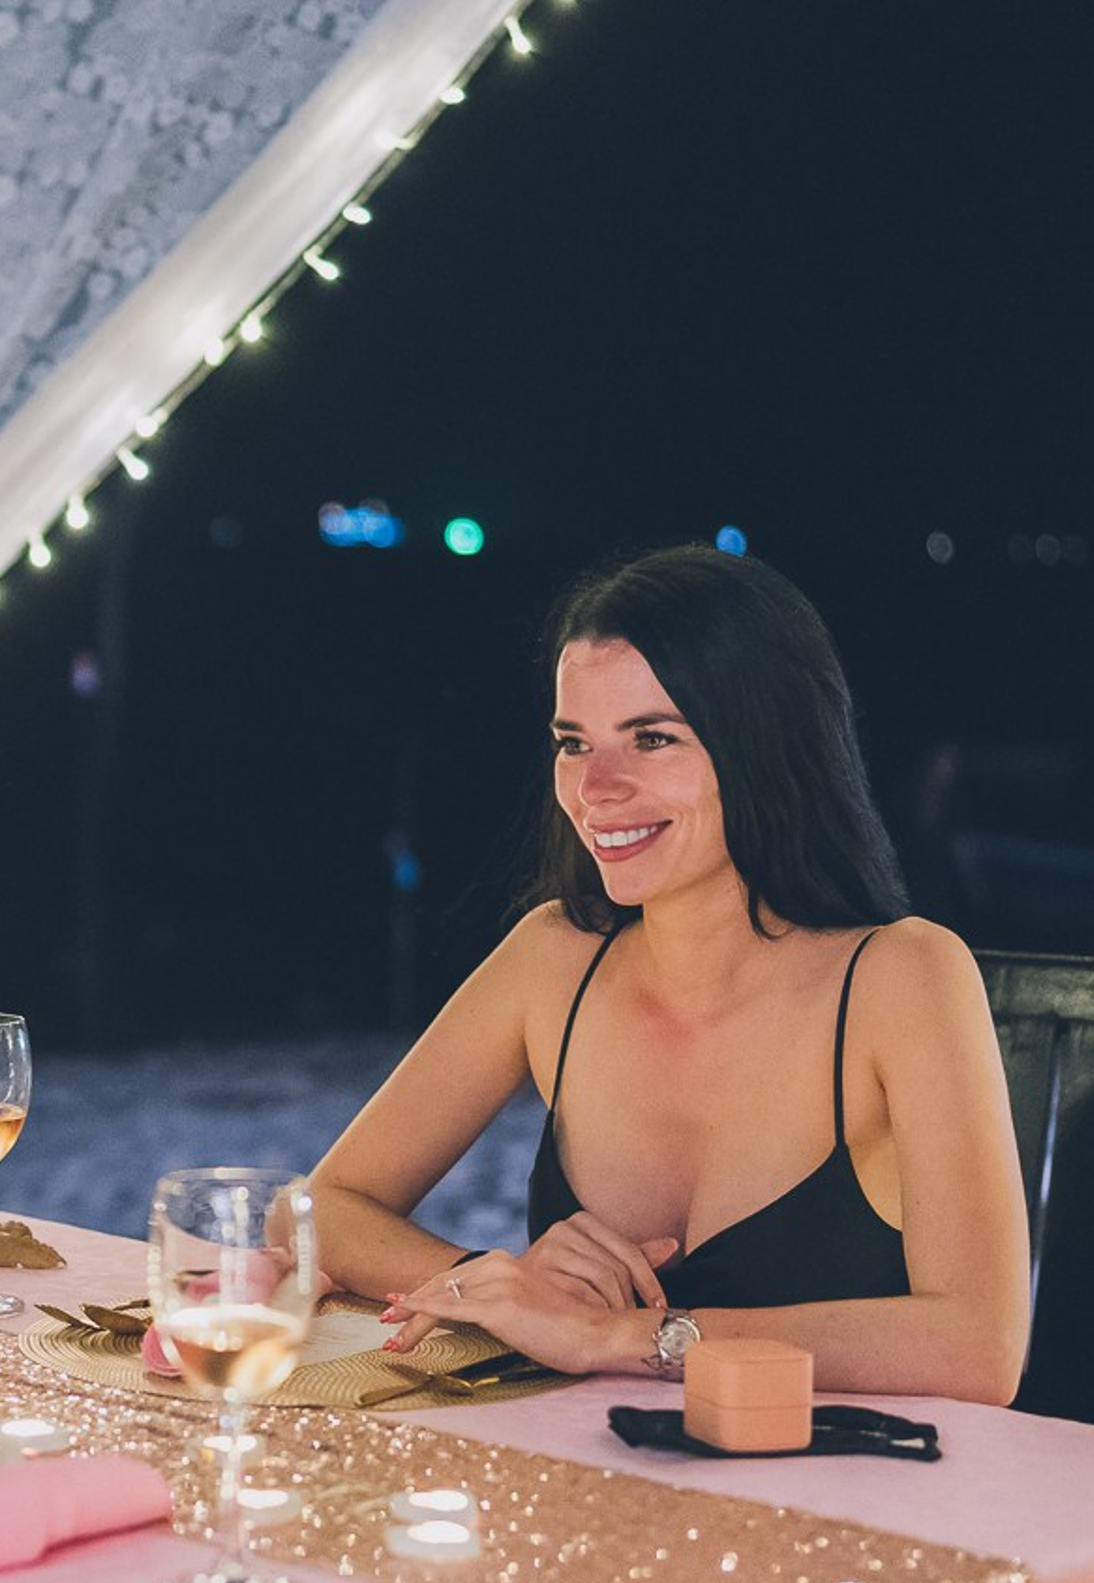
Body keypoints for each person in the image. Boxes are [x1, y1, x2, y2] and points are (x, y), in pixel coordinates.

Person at [309, 545, 1030, 1404]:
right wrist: (493, 1284)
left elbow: (981, 1348)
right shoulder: (554, 958)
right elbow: (321, 1208)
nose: (596, 788)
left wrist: (619, 1336)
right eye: (573, 743)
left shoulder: (904, 976)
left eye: (652, 739)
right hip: (595, 1496)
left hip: (846, 1510)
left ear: (764, 746)